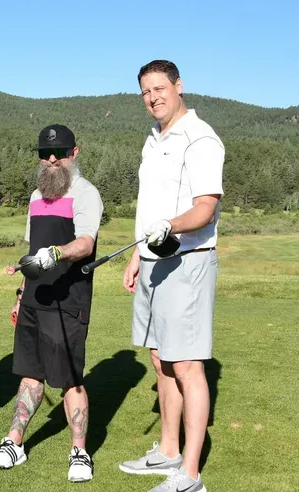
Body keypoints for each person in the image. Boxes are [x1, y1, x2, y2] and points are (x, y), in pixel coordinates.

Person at [119, 60, 224, 492]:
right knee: (160, 358)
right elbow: (149, 204)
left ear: (179, 86)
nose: (153, 97)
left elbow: (205, 207)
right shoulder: (154, 138)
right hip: (153, 260)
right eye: (146, 91)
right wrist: (136, 254)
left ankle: (191, 476)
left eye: (160, 88)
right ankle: (167, 452)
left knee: (187, 364)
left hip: (188, 259)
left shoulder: (200, 138)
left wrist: (171, 226)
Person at [0, 124, 103, 483]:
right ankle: (14, 443)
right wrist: (21, 295)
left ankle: (79, 452)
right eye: (44, 154)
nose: (52, 160)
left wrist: (58, 253)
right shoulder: (37, 196)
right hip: (35, 300)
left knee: (69, 380)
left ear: (74, 153)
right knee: (30, 374)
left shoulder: (86, 193)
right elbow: (30, 253)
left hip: (69, 300)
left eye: (60, 153)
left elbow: (86, 242)